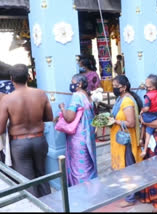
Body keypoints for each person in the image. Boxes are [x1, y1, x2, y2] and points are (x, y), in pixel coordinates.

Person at [0, 64, 53, 197]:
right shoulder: (40, 94)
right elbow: (49, 117)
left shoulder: (7, 99)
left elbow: (0, 128)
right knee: (42, 175)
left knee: (27, 180)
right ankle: (51, 205)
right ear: (28, 77)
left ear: (12, 79)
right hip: (39, 139)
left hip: (19, 143)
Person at [108, 75, 143, 207]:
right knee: (128, 167)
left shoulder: (127, 101)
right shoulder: (120, 98)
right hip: (120, 139)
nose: (114, 88)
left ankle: (130, 197)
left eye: (116, 86)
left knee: (128, 168)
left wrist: (115, 121)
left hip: (127, 141)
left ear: (124, 87)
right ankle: (133, 193)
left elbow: (131, 123)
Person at [58, 74, 97, 187]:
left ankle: (82, 193)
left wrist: (62, 108)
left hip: (78, 138)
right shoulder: (88, 96)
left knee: (80, 168)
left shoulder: (77, 96)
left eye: (72, 82)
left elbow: (69, 118)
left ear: (79, 84)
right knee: (88, 165)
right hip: (88, 137)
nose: (71, 85)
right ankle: (92, 190)